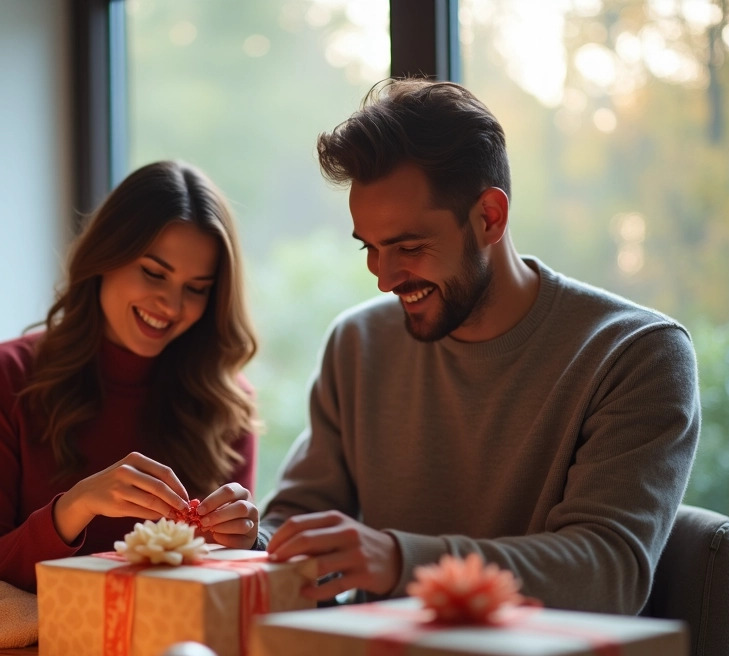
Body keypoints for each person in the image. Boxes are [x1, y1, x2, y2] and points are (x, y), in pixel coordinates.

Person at [262, 79, 700, 615]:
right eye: (371, 249)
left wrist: (401, 561)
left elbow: (606, 574)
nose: (384, 278)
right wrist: (249, 538)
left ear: (490, 216)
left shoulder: (636, 355)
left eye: (409, 246)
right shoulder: (358, 343)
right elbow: (291, 523)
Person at [0, 161, 261, 592]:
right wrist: (75, 508)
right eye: (153, 272)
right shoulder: (0, 378)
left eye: (196, 287)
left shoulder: (226, 404)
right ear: (105, 257)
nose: (169, 304)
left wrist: (248, 542)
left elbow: (227, 587)